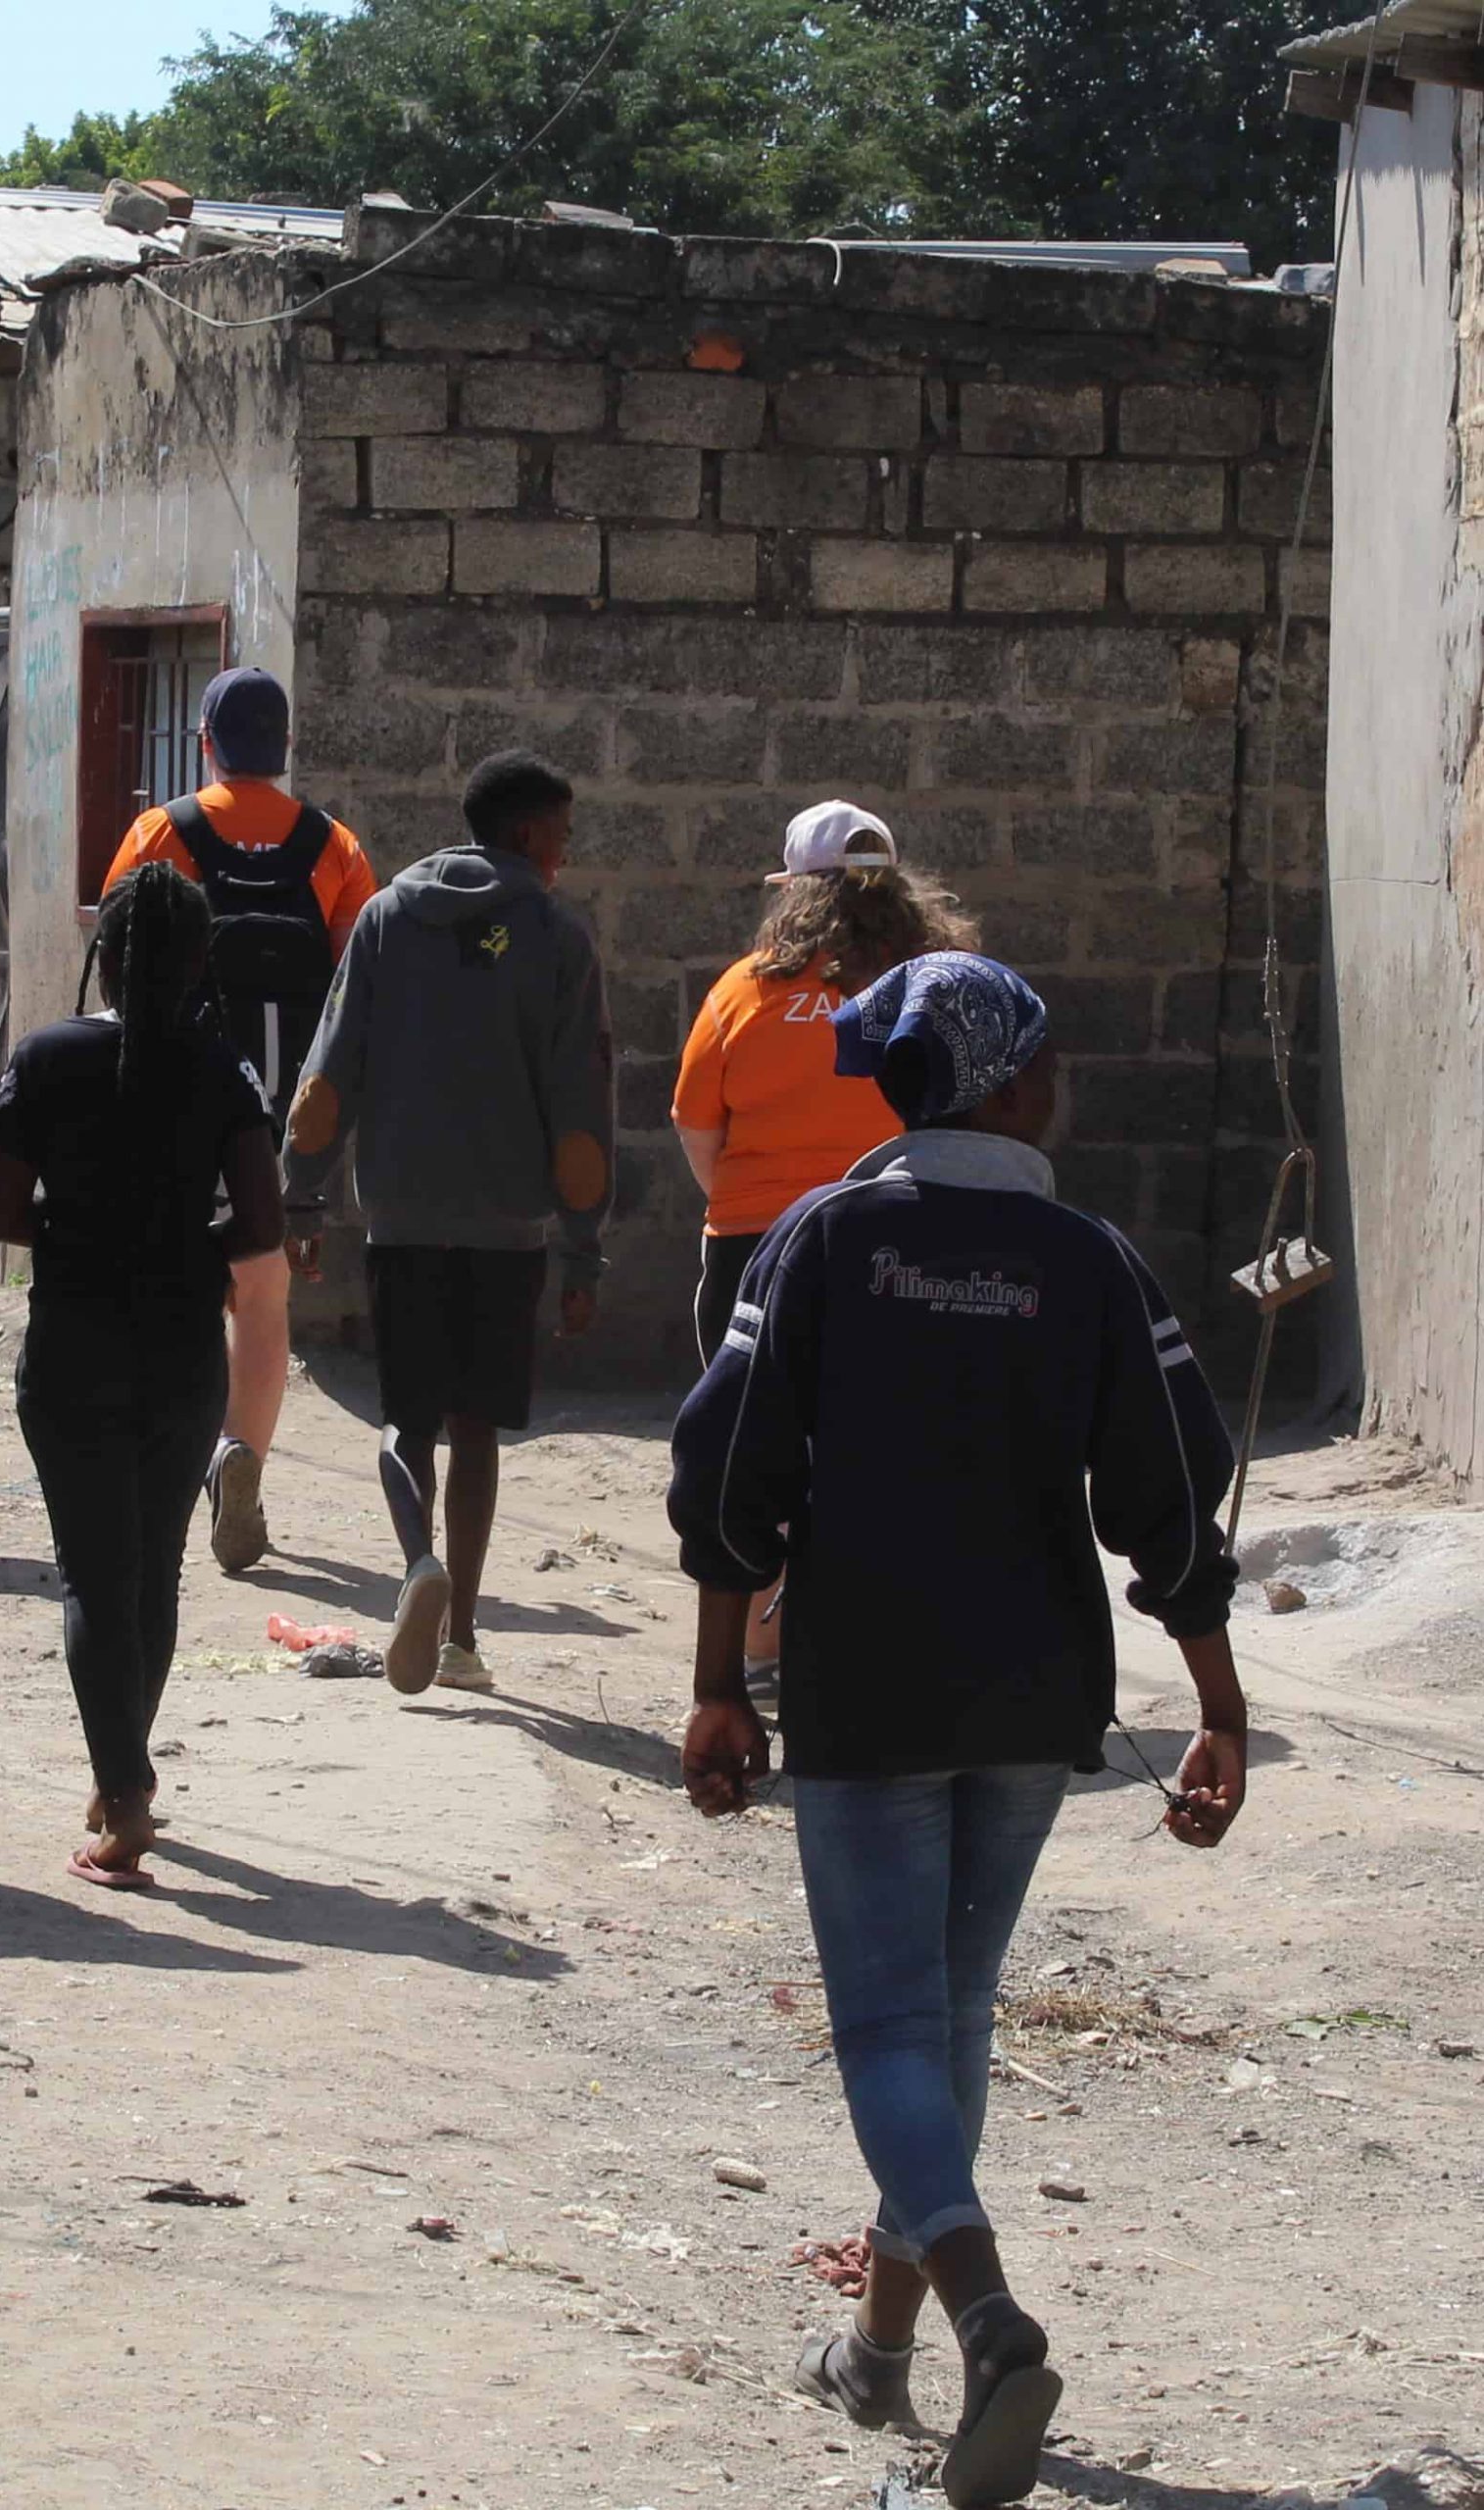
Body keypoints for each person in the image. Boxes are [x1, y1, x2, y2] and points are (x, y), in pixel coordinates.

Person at [668, 953, 1248, 2510]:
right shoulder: (1087, 1260)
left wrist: (718, 1680)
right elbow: (1167, 1493)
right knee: (950, 2015)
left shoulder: (817, 1240)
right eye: (1044, 1060)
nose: (1059, 1084)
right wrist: (1214, 1701)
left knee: (886, 2029)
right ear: (1001, 1083)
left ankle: (984, 2321)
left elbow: (728, 1475)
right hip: (1028, 1694)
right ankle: (876, 2351)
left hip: (864, 1688)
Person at [284, 750, 614, 1699]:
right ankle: (462, 1635)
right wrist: (583, 1247)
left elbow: (329, 1070)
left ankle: (415, 1565)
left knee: (405, 1418)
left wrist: (302, 1196)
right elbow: (581, 1104)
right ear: (526, 833)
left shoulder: (387, 917)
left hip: (400, 1214)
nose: (563, 854)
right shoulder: (555, 935)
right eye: (561, 835)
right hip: (507, 1227)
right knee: (476, 1430)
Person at [0, 864, 283, 1888]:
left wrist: (80, 1235)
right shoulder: (222, 1068)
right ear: (199, 964)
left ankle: (126, 1796)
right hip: (183, 1352)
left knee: (92, 1575)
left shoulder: (46, 1057)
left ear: (102, 958)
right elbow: (260, 1223)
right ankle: (123, 1772)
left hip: (73, 1346)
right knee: (152, 1570)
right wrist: (186, 1248)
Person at [105, 666, 377, 1575]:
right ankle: (238, 1454)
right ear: (285, 745)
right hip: (282, 1115)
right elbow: (354, 994)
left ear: (206, 744)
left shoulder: (161, 832)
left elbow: (115, 964)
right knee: (261, 1295)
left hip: (178, 1102)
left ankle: (170, 1460)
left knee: (169, 1287)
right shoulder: (333, 846)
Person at [673, 801, 977, 1371]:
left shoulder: (739, 990)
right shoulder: (943, 985)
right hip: (904, 1234)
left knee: (746, 1418)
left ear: (795, 893)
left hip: (757, 1239)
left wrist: (749, 1197)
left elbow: (693, 1122)